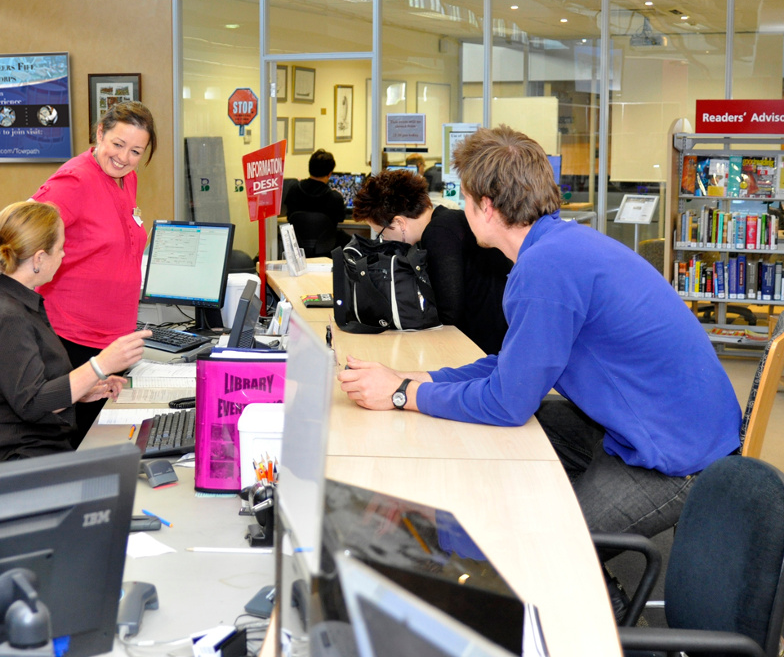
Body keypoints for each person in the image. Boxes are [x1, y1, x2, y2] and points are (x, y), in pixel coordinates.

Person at [339, 125, 741, 562]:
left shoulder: (545, 269)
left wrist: (401, 395)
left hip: (676, 457)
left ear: (486, 208)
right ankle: (488, 521)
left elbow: (508, 403)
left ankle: (589, 592)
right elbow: (511, 365)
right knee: (492, 426)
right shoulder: (559, 246)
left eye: (465, 199)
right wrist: (417, 379)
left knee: (533, 553)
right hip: (648, 424)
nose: (460, 208)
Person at [0, 201, 150, 463]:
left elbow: (28, 386)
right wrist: (100, 365)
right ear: (38, 258)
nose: (64, 255)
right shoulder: (5, 317)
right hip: (14, 459)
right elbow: (33, 403)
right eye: (60, 248)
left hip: (30, 443)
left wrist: (84, 389)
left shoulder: (8, 297)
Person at [32, 101, 156, 447]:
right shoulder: (74, 180)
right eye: (117, 144)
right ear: (99, 133)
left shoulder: (126, 179)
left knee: (107, 440)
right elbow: (25, 234)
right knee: (82, 445)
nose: (124, 157)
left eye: (135, 151)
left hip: (112, 338)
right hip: (73, 337)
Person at [351, 169, 510, 355]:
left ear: (400, 223)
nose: (385, 240)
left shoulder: (438, 233)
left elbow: (449, 312)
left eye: (382, 233)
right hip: (494, 335)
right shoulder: (447, 220)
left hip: (483, 346)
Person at [282, 148, 346, 223]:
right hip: (325, 235)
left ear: (309, 168)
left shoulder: (294, 189)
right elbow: (341, 218)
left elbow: (289, 216)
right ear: (329, 174)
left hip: (298, 234)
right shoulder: (335, 197)